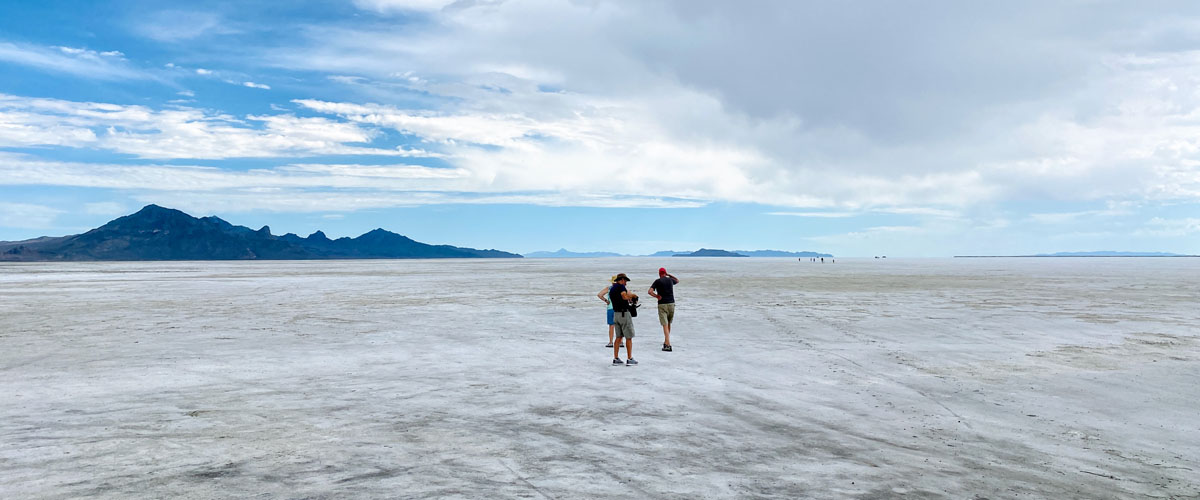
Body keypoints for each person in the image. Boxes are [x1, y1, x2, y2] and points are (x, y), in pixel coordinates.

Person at [647, 267, 679, 351]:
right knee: (668, 323)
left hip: (662, 304)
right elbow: (677, 280)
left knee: (665, 324)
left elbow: (649, 291)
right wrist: (669, 275)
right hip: (671, 303)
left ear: (659, 273)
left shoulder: (657, 281)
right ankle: (666, 341)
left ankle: (668, 344)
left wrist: (657, 296)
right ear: (665, 273)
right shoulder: (670, 280)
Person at [609, 273, 637, 366]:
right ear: (621, 280)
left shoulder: (612, 289)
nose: (626, 283)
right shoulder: (621, 287)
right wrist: (632, 297)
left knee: (618, 337)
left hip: (616, 314)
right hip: (624, 314)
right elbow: (624, 296)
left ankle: (616, 358)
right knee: (628, 337)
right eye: (625, 281)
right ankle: (629, 358)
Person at [597, 275, 623, 348]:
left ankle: (611, 342)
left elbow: (599, 295)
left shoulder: (609, 288)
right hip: (619, 308)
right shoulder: (622, 288)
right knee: (620, 325)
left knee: (611, 326)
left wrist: (606, 301)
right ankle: (621, 342)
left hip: (611, 308)